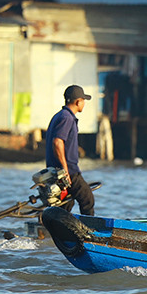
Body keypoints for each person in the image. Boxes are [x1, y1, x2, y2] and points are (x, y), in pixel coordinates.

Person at [45, 84, 95, 216]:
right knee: (87, 198)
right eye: (83, 101)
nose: (84, 103)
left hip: (55, 170)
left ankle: (53, 230)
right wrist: (65, 169)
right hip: (68, 171)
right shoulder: (67, 118)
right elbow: (57, 141)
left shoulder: (59, 115)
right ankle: (89, 232)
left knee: (65, 203)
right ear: (78, 101)